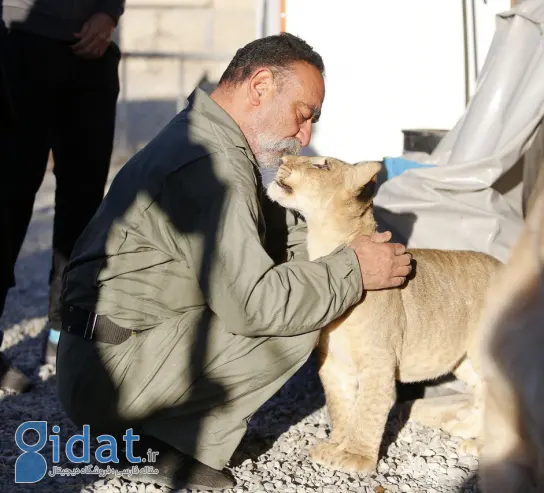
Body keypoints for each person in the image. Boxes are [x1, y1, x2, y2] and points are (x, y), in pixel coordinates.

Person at [55, 33, 413, 490]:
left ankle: (171, 427)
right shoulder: (213, 164)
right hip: (110, 379)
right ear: (260, 86)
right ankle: (151, 436)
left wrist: (354, 239)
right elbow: (256, 305)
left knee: (307, 281)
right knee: (300, 307)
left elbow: (283, 238)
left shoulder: (204, 136)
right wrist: (354, 270)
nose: (304, 137)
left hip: (101, 360)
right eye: (303, 116)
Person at [0, 0, 124, 392]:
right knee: (7, 198)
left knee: (84, 201)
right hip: (17, 41)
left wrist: (109, 12)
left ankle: (63, 333)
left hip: (92, 52)